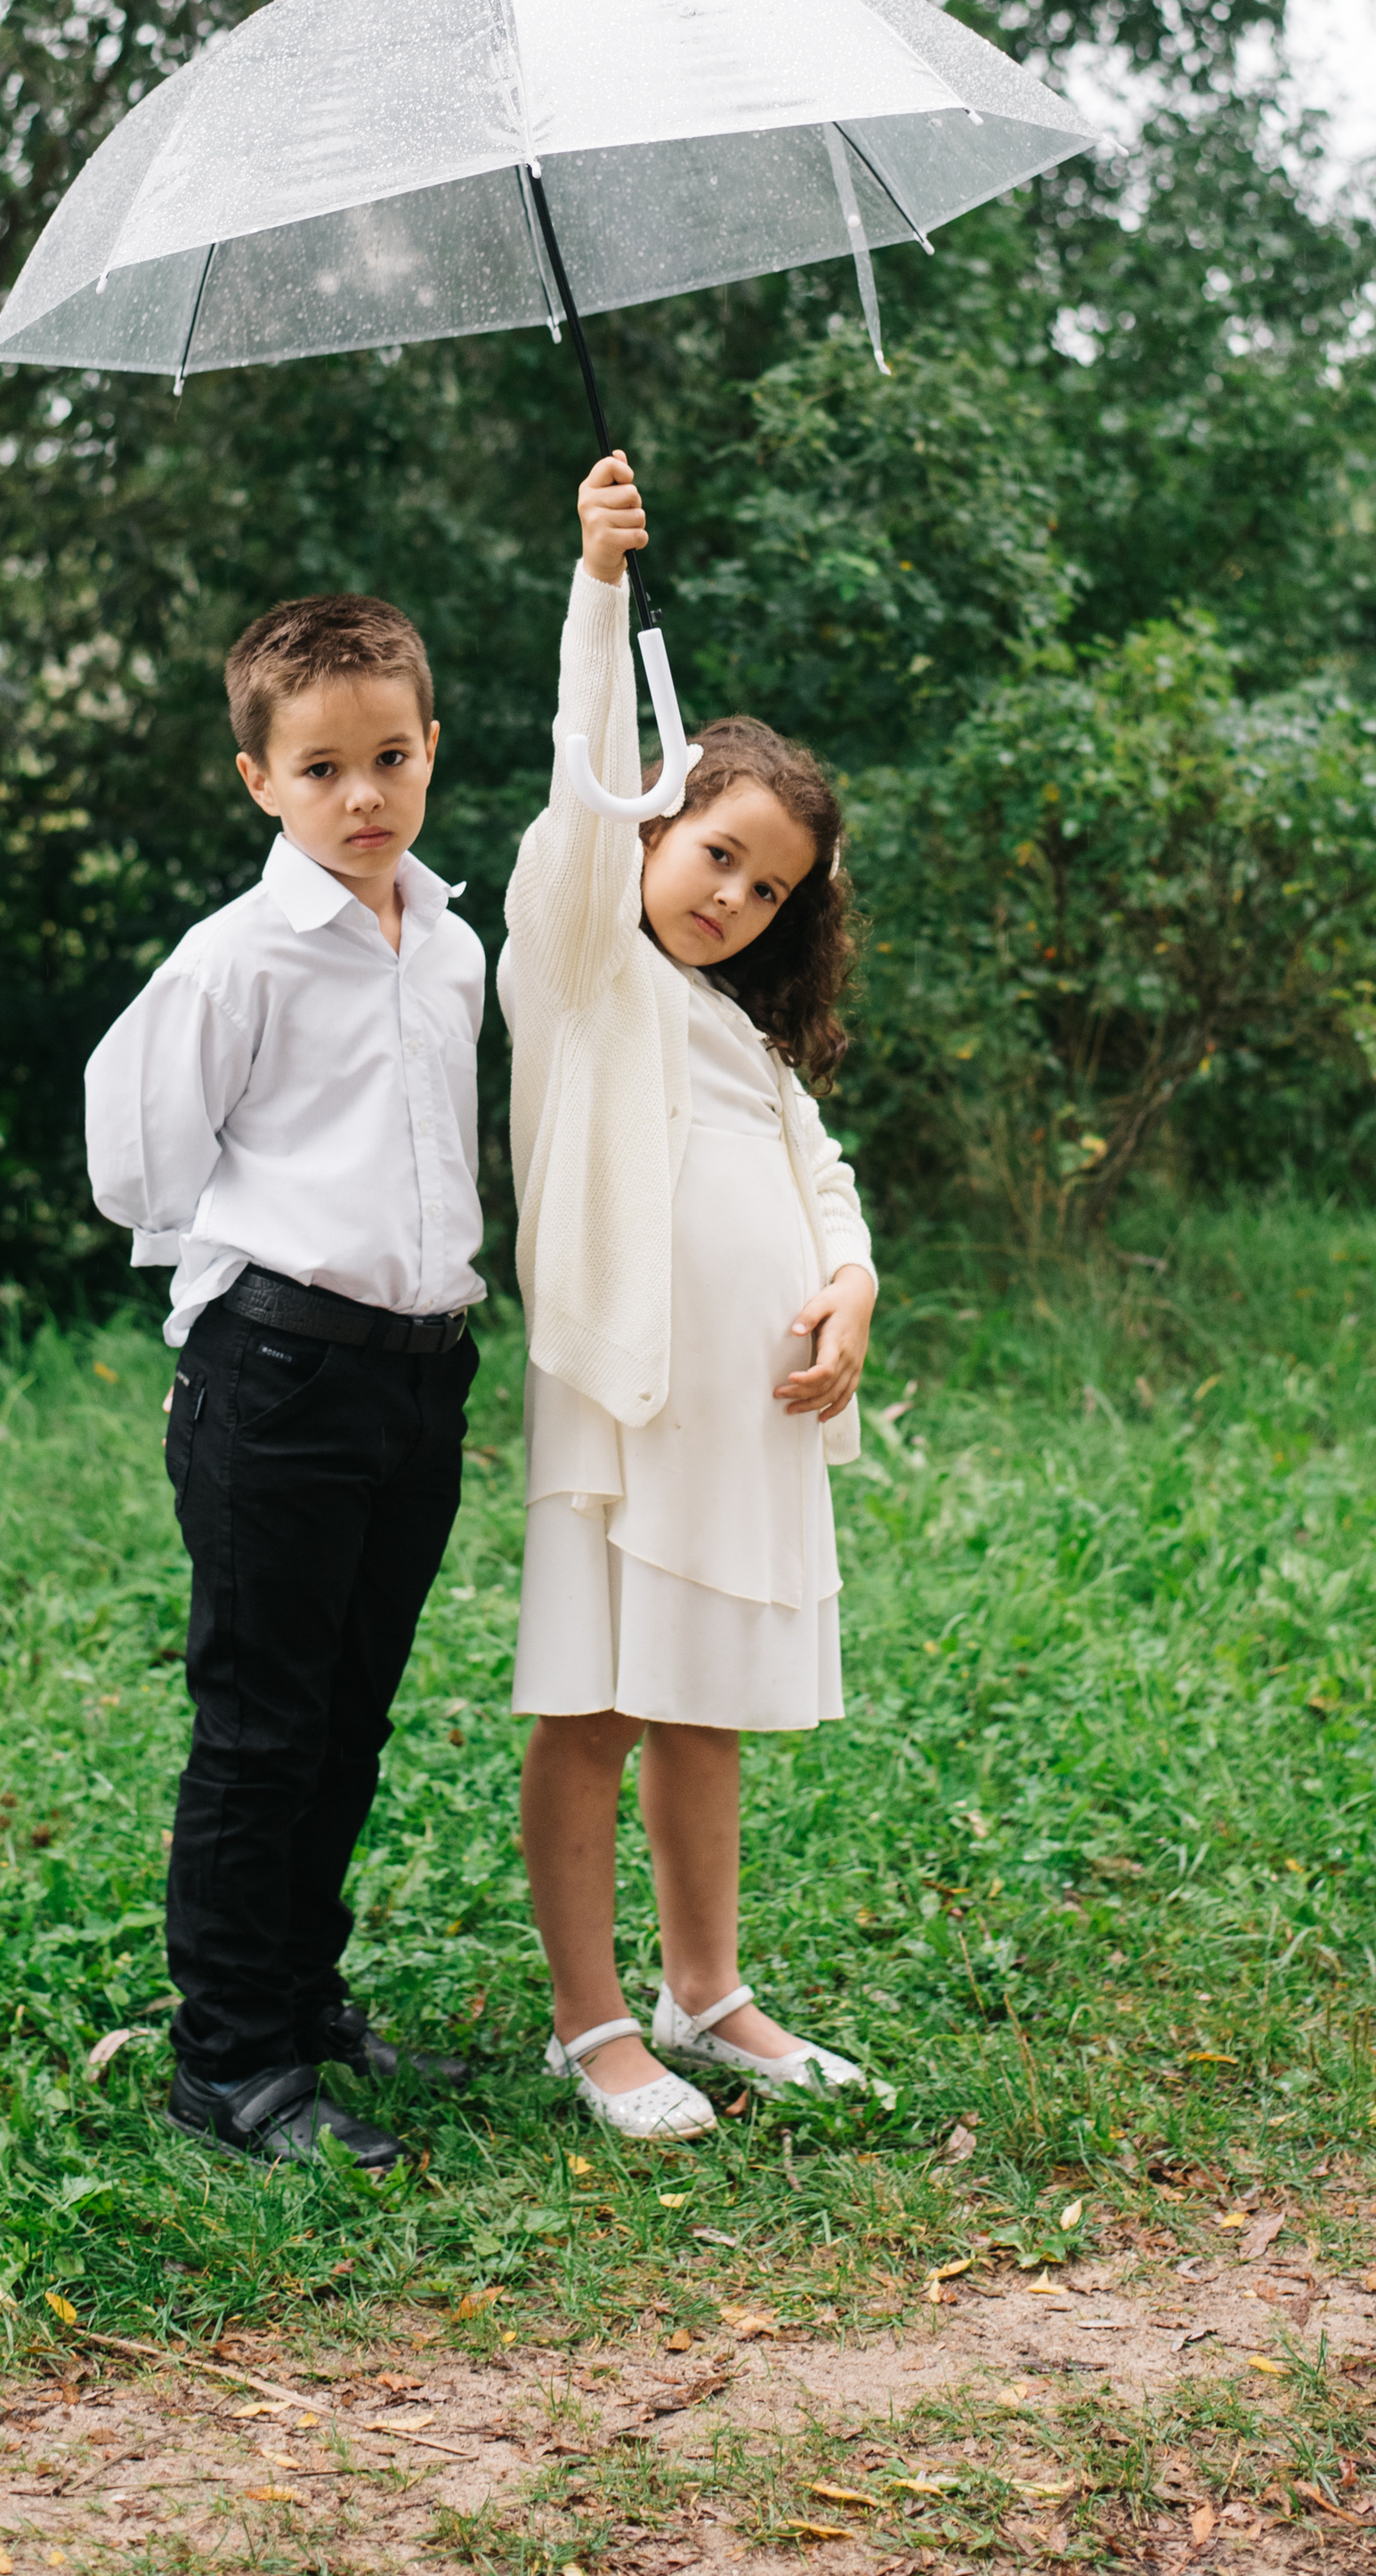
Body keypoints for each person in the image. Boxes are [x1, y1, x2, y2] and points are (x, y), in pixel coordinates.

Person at [501, 453, 877, 2137]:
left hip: (742, 1418)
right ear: (661, 822)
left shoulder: (739, 1028)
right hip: (623, 1400)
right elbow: (580, 793)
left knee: (700, 1704)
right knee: (595, 1705)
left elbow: (817, 1174)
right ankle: (593, 2024)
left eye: (766, 886)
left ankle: (706, 1990)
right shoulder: (581, 961)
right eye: (716, 854)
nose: (731, 899)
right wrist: (600, 586)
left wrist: (851, 1280)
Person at [85, 594, 484, 2178]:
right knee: (260, 1728)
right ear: (261, 779)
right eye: (322, 769)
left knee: (348, 1715)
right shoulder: (237, 955)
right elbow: (139, 1160)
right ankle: (231, 2065)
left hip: (418, 1377)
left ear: (431, 747)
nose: (364, 796)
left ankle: (306, 2007)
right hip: (280, 1376)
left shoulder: (447, 937)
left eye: (390, 757)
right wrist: (247, 1288)